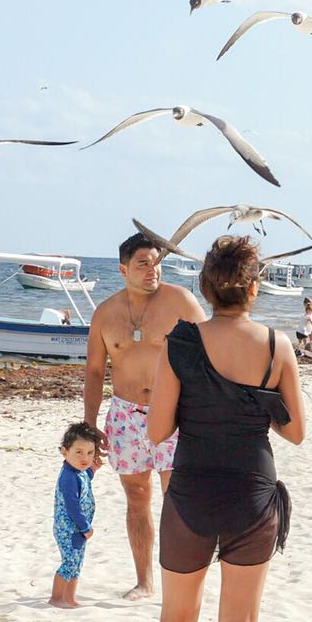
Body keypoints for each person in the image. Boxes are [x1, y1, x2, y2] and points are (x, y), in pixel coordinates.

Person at [147, 235, 305, 622]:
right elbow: (295, 432)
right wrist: (258, 402)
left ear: (205, 287)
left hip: (191, 493)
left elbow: (157, 431)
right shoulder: (278, 345)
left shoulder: (181, 342)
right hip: (252, 497)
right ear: (253, 288)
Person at [84, 232, 206, 600]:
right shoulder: (105, 313)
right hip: (124, 415)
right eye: (143, 263)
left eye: (156, 263)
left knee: (177, 499)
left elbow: (211, 350)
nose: (153, 270)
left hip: (173, 413)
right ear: (123, 269)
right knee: (136, 498)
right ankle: (144, 581)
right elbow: (94, 372)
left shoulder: (180, 301)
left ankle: (180, 581)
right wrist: (89, 425)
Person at [49, 422, 102, 609]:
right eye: (79, 452)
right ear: (64, 452)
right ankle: (56, 598)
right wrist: (85, 527)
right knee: (69, 562)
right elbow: (72, 506)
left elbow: (85, 478)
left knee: (77, 563)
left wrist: (92, 470)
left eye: (90, 453)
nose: (85, 458)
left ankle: (69, 598)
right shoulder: (68, 477)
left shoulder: (79, 471)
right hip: (69, 528)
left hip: (77, 530)